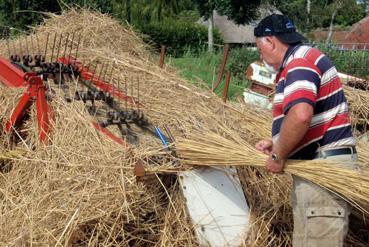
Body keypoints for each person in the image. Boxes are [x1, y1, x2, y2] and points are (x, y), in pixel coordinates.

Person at [253, 14, 357, 247]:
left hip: (323, 173)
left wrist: (277, 156)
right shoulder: (304, 59)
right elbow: (308, 119)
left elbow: (300, 115)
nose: (261, 56)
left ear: (270, 41)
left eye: (260, 48)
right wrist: (279, 143)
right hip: (317, 171)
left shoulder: (299, 63)